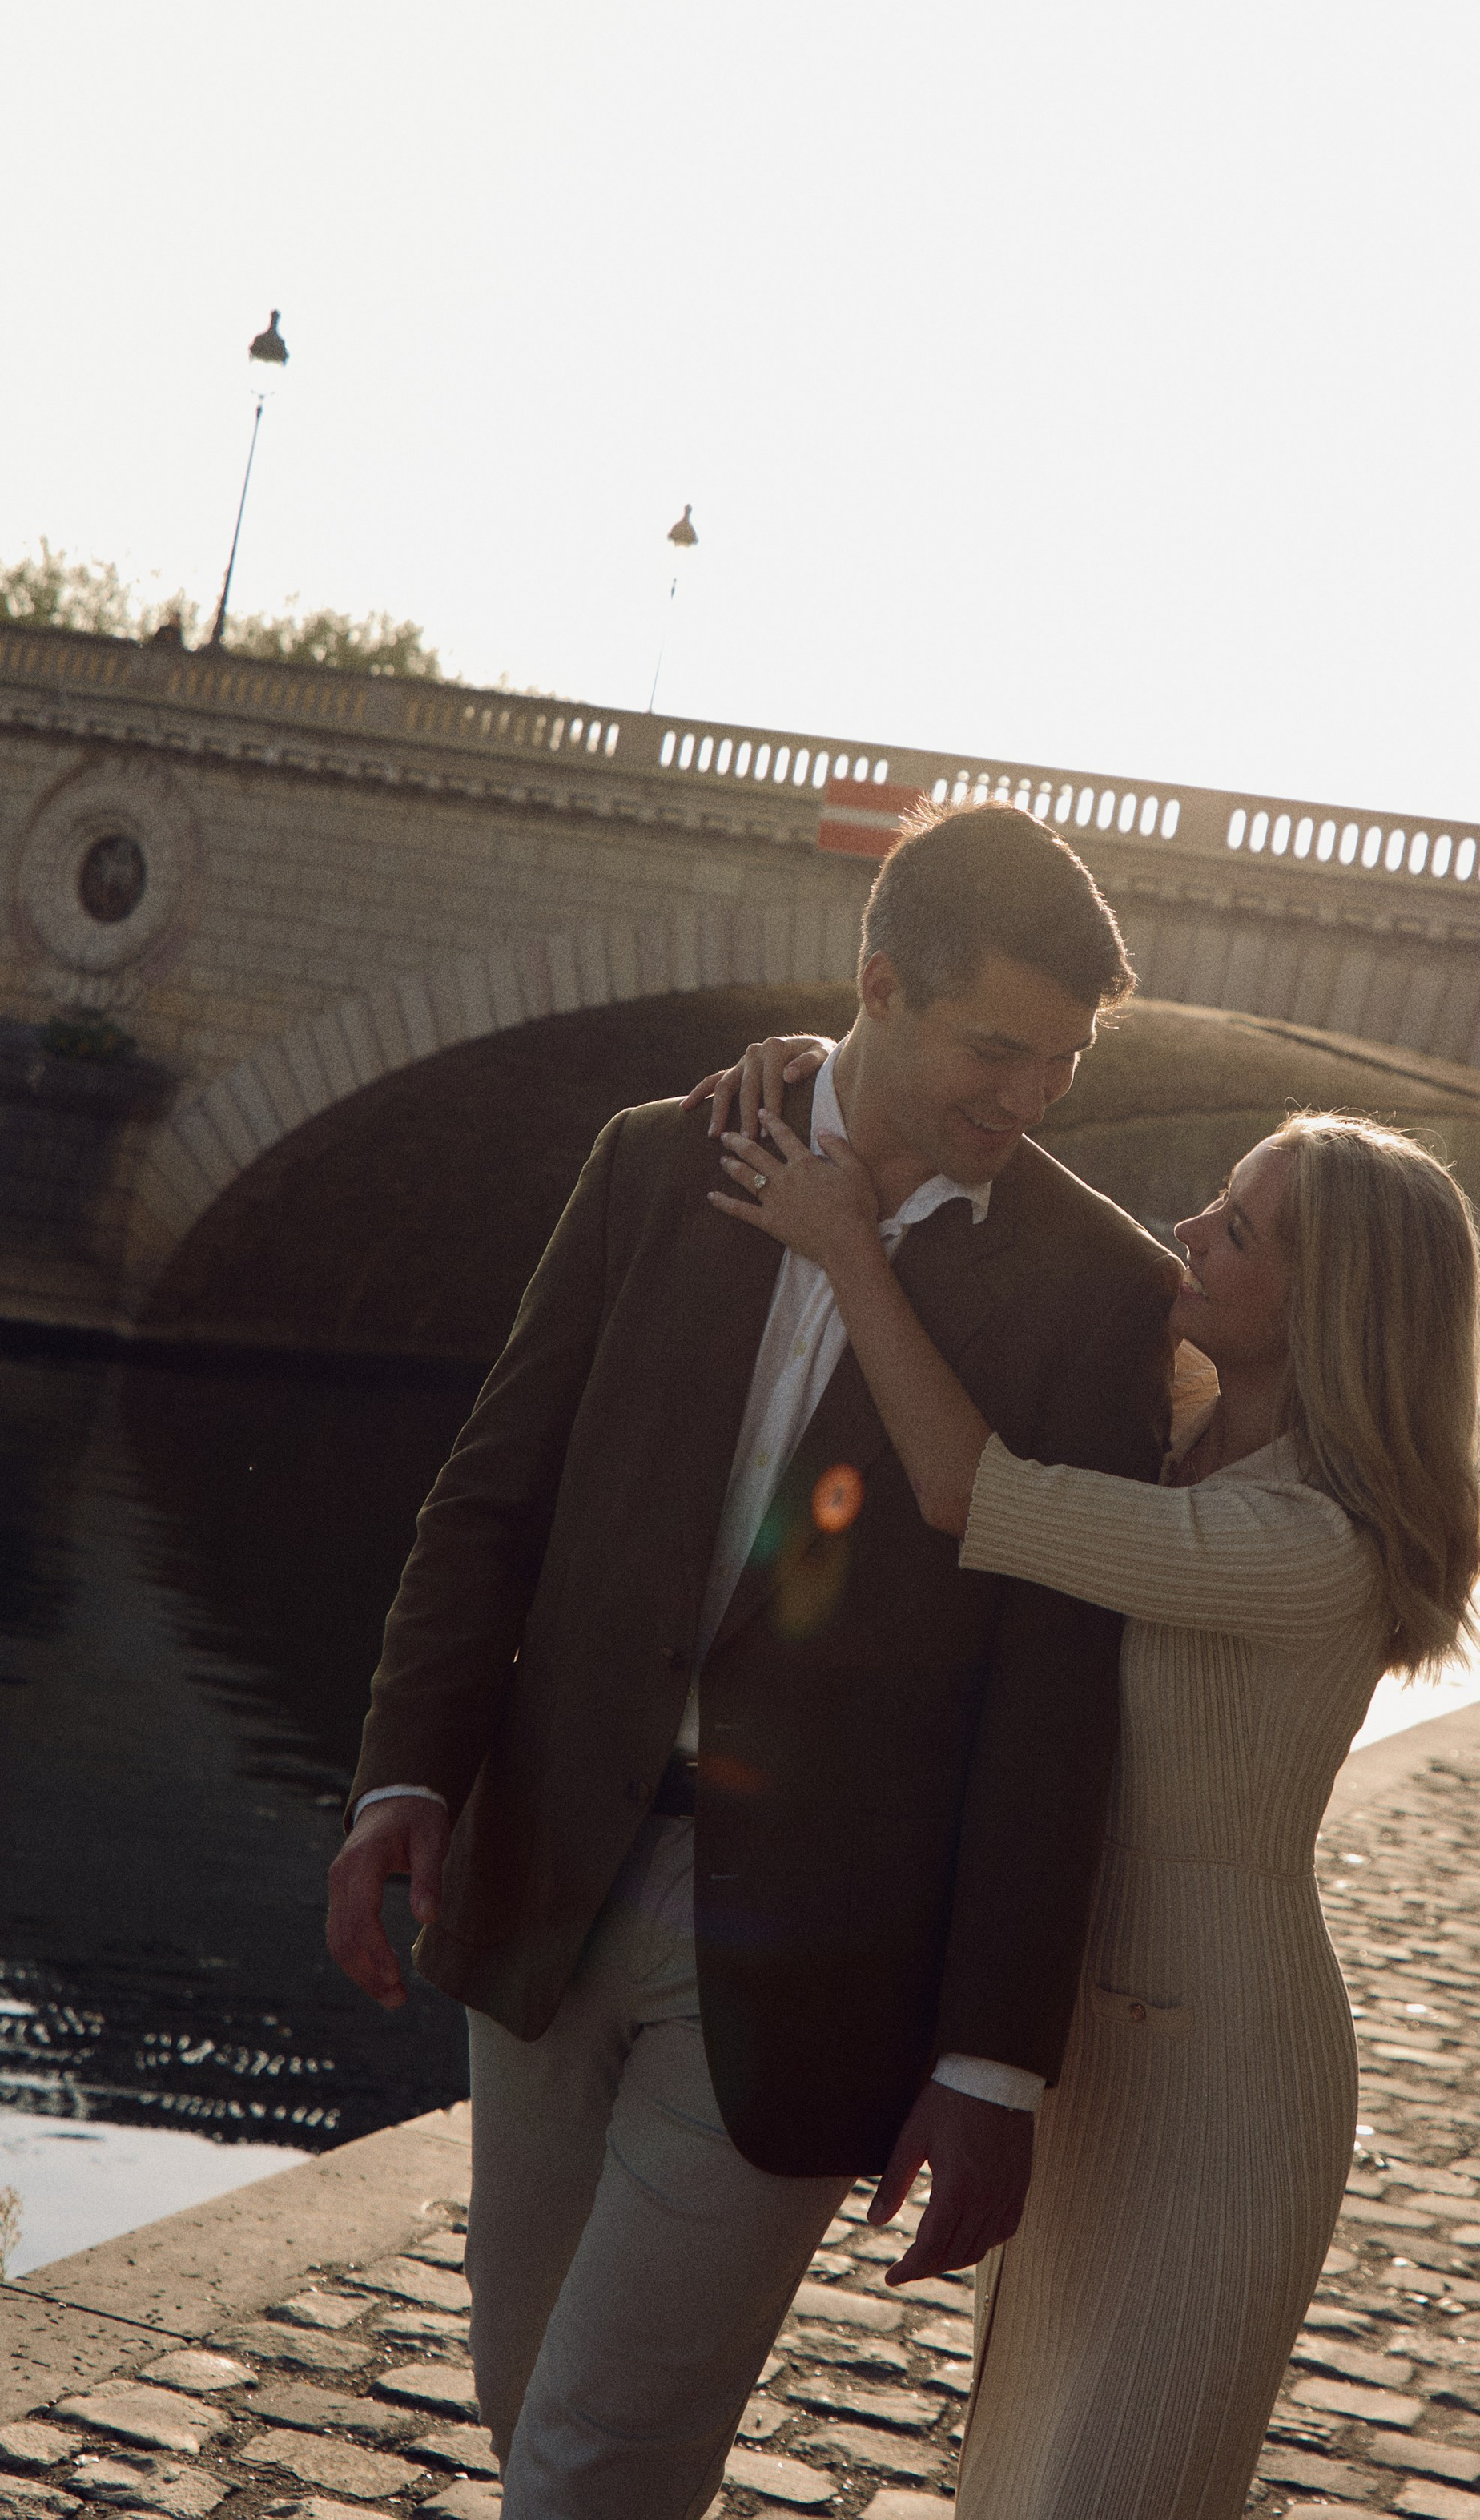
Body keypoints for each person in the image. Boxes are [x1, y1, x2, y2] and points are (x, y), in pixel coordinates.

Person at [324, 803, 1184, 2520]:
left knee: (598, 2450)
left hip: (811, 1951)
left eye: (1060, 1066)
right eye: (992, 1049)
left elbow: (1050, 1694)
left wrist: (988, 2059)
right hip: (551, 1872)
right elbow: (496, 1491)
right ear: (877, 983)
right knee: (524, 2388)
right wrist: (403, 1775)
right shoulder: (658, 1160)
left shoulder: (1100, 1291)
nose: (1022, 1100)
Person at [695, 1047, 1480, 2520]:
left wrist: (844, 1244)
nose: (1189, 1229)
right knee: (1013, 2482)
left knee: (1113, 2490)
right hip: (1066, 2045)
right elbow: (1058, 1260)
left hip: (1222, 2087)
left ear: (1332, 1306)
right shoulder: (1176, 1436)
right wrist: (835, 1074)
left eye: (1236, 1229)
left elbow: (967, 1492)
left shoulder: (1317, 1543)